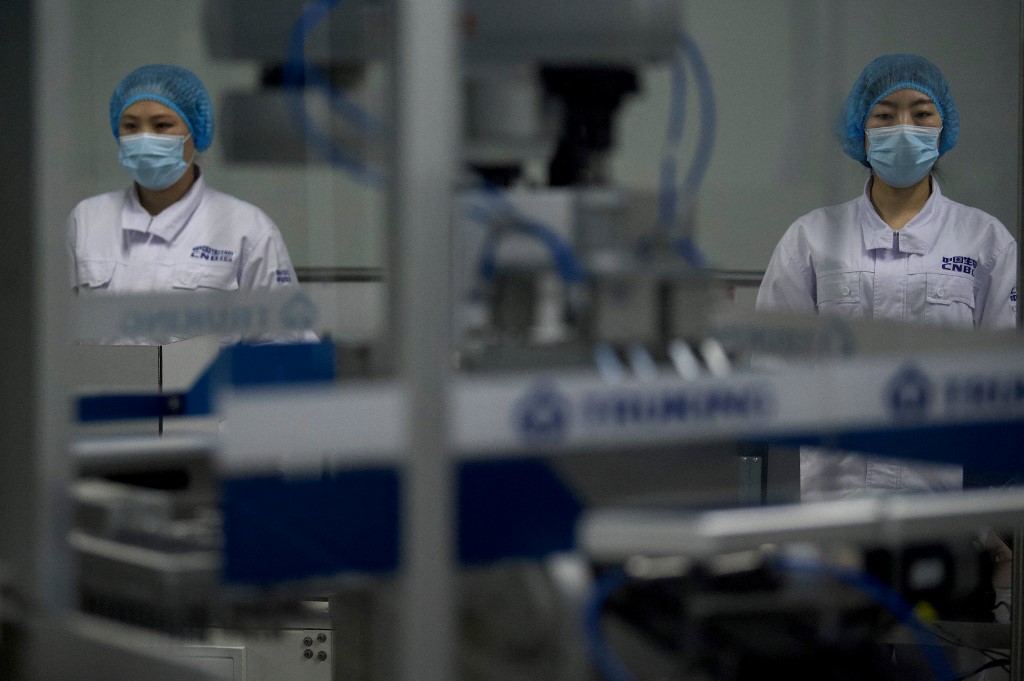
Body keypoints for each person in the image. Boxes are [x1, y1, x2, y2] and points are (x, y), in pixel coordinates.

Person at [756, 54, 1018, 501]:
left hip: (940, 498)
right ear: (862, 126)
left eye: (920, 113)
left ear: (943, 125)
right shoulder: (811, 238)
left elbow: (1004, 379)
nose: (903, 127)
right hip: (835, 496)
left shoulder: (985, 241)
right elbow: (771, 366)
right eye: (884, 114)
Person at [67, 64, 308, 342]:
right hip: (103, 385)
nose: (144, 138)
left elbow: (282, 343)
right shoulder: (85, 220)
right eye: (131, 126)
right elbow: (54, 333)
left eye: (162, 125)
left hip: (203, 385)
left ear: (196, 131)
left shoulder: (247, 228)